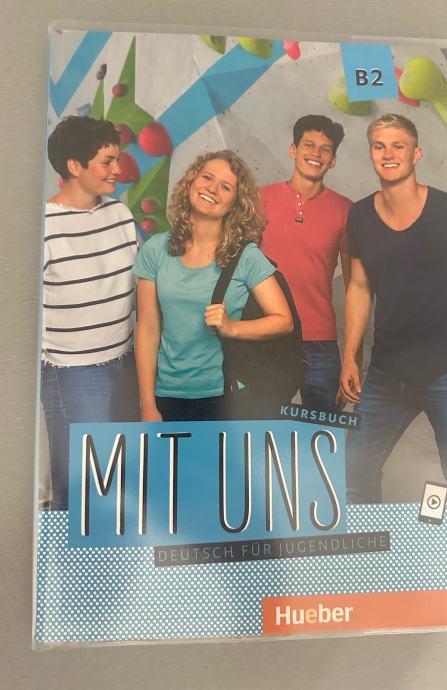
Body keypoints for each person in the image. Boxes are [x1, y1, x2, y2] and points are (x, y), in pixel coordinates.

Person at [340, 113, 447, 503]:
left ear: (417, 153)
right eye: (379, 146)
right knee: (352, 473)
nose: (388, 154)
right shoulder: (360, 215)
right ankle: (370, 542)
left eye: (399, 145)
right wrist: (350, 357)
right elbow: (359, 286)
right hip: (387, 371)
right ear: (370, 154)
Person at [133, 150, 293, 422]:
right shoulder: (155, 249)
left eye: (226, 187)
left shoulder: (245, 256)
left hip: (225, 397)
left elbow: (283, 321)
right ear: (191, 182)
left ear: (235, 203)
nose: (212, 189)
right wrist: (147, 404)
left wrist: (232, 327)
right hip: (166, 394)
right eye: (207, 178)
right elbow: (148, 328)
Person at [41, 116, 138, 510]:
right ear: (75, 166)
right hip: (72, 373)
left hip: (126, 365)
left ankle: (109, 551)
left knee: (116, 481)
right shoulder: (43, 227)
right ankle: (62, 551)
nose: (118, 169)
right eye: (107, 161)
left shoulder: (121, 215)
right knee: (77, 486)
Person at [260, 115, 352, 411]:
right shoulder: (260, 200)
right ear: (293, 150)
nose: (316, 154)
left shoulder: (345, 210)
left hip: (320, 344)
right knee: (263, 428)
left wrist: (353, 359)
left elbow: (356, 290)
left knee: (324, 431)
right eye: (309, 145)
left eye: (325, 149)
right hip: (265, 338)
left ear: (333, 161)